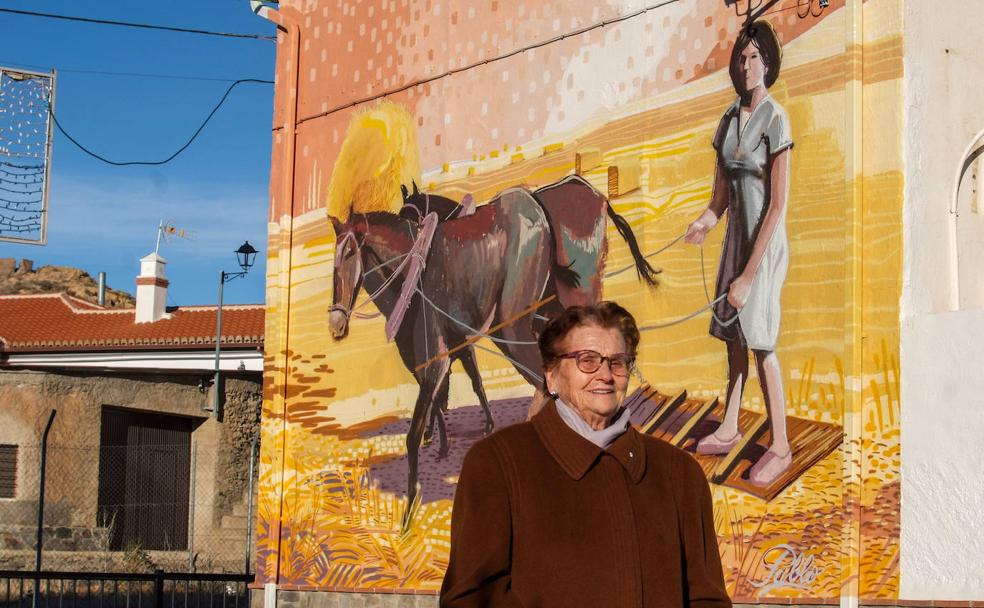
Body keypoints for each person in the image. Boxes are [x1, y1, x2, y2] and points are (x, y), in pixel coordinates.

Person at [440, 302, 731, 608]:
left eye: (618, 362)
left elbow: (707, 598)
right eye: (587, 360)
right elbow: (470, 598)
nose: (605, 375)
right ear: (552, 376)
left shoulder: (679, 473)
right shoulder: (497, 463)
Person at [684, 20, 793, 487]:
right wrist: (704, 223)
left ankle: (782, 446)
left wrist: (749, 275)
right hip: (734, 242)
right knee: (732, 338)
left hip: (763, 249)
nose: (747, 66)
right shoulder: (728, 119)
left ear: (768, 62)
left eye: (754, 58)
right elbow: (719, 199)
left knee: (762, 343)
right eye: (741, 58)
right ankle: (730, 427)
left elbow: (778, 204)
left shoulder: (776, 118)